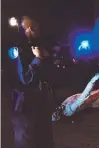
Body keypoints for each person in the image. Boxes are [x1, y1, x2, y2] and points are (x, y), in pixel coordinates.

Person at [9, 17, 54, 148]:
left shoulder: (37, 47)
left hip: (41, 105)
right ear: (30, 29)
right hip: (25, 107)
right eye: (37, 29)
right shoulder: (18, 50)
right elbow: (25, 79)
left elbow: (48, 75)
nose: (39, 32)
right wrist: (38, 58)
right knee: (26, 141)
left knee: (44, 140)